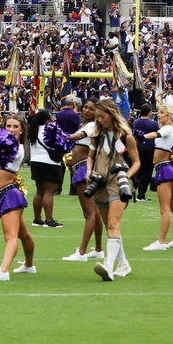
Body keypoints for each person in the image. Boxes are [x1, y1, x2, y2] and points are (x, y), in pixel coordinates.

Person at [88, 99, 140, 281]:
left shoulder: (126, 136)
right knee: (110, 226)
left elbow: (137, 162)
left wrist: (126, 175)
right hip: (99, 181)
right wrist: (89, 171)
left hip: (119, 182)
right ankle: (123, 263)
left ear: (112, 114)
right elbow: (90, 156)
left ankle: (108, 266)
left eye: (102, 116)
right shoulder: (96, 134)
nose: (100, 120)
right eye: (97, 117)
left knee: (112, 223)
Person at [0, 114, 36, 281]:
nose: (11, 129)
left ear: (22, 130)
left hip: (9, 194)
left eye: (15, 126)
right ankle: (29, 265)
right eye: (8, 126)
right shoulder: (6, 143)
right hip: (7, 194)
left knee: (10, 236)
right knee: (23, 235)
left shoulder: (16, 148)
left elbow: (1, 149)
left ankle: (3, 271)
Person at [62, 97, 105, 261]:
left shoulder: (92, 125)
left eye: (91, 109)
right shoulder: (85, 123)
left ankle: (82, 252)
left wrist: (62, 136)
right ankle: (99, 249)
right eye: (85, 107)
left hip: (83, 170)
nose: (87, 110)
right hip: (82, 168)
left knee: (89, 213)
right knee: (95, 212)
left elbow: (79, 136)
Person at [136, 102, 173, 251]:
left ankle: (161, 242)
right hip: (170, 169)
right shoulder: (172, 129)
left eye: (161, 112)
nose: (158, 115)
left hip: (164, 169)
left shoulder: (167, 128)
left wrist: (141, 135)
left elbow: (155, 134)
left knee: (165, 209)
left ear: (169, 115)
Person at [27, 109, 64, 228]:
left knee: (39, 191)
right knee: (49, 192)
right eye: (51, 117)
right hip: (49, 163)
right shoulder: (51, 129)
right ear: (48, 120)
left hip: (35, 162)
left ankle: (37, 219)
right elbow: (60, 145)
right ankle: (49, 220)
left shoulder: (34, 129)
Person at [132, 104, 158, 201]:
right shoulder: (154, 124)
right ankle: (141, 194)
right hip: (149, 147)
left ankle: (133, 189)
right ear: (149, 112)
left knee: (137, 169)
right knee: (147, 172)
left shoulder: (136, 122)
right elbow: (157, 134)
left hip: (138, 147)